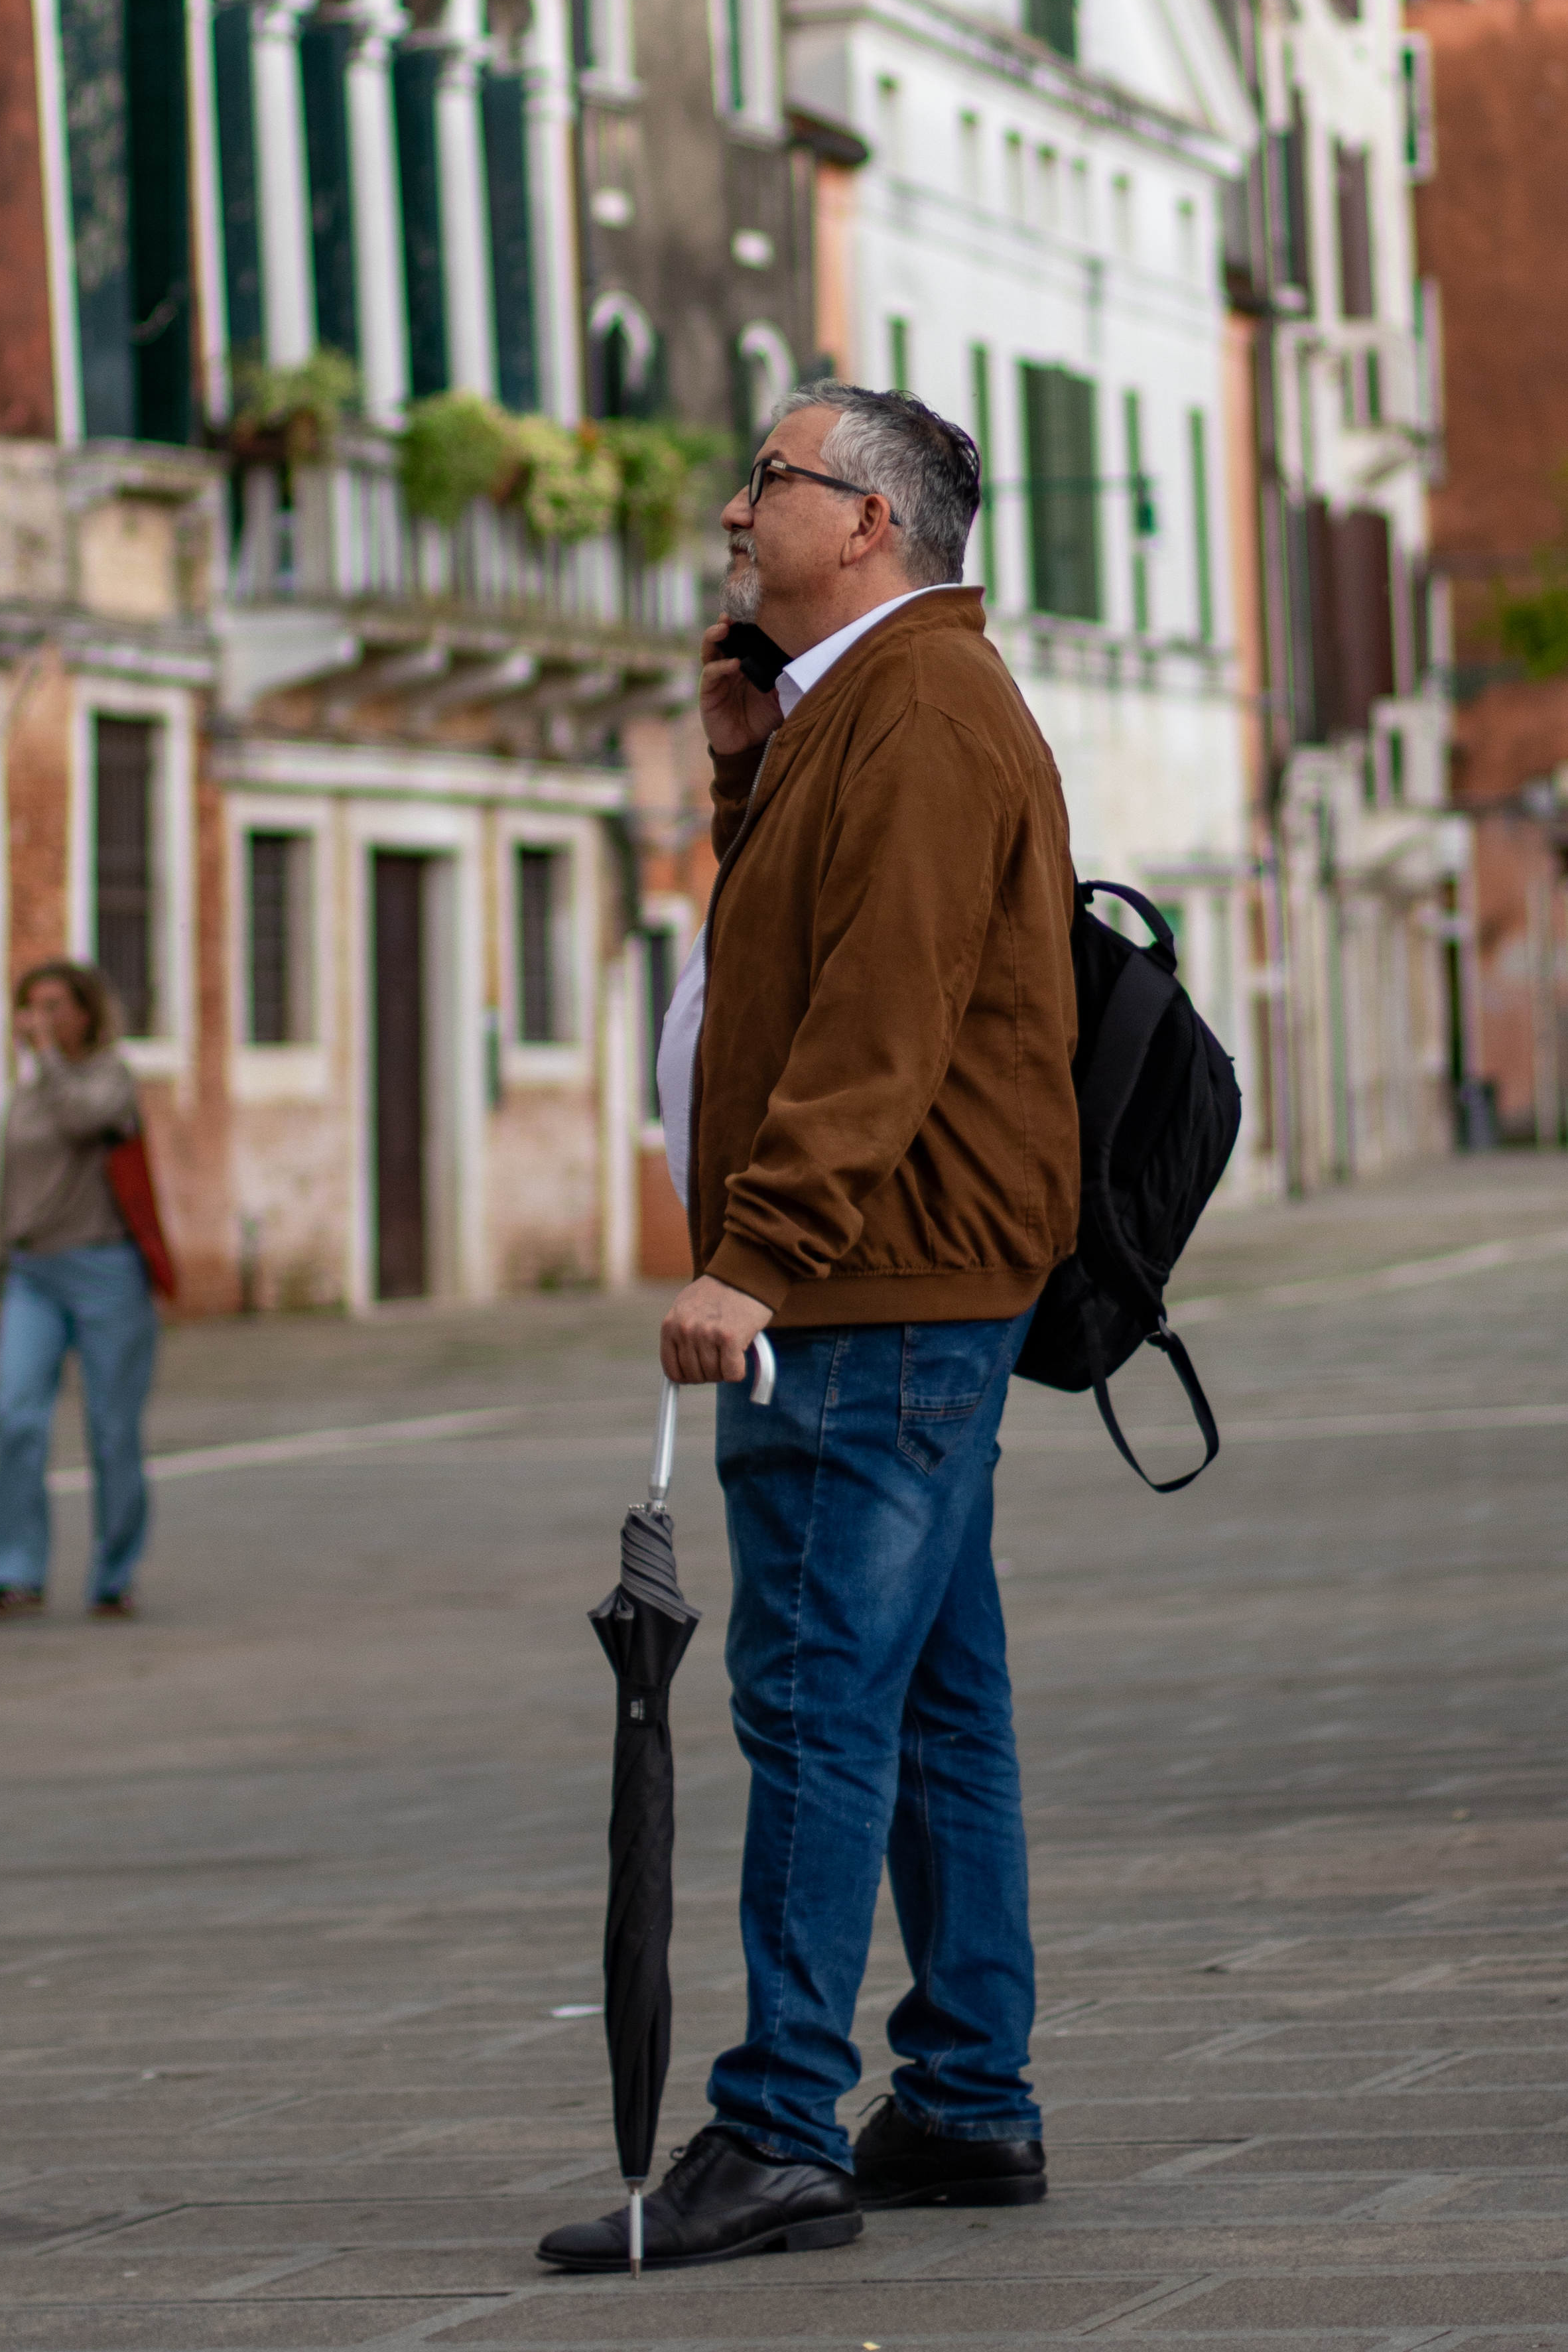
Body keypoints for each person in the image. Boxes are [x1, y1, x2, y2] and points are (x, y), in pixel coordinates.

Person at [541, 384, 1081, 2274]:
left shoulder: (922, 708)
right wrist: (743, 774)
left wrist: (756, 1256)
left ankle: (775, 2123)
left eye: (764, 478)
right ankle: (967, 2093)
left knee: (812, 1699)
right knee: (931, 1699)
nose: (729, 508)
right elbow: (798, 951)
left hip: (865, 1291)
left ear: (866, 519)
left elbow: (881, 1013)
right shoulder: (861, 705)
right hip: (899, 1281)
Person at [0, 959, 157, 1620]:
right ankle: (11, 1567)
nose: (38, 1020)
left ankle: (114, 1573)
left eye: (53, 1007)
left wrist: (47, 1059)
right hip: (33, 1274)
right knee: (14, 1413)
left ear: (85, 1013)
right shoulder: (23, 1097)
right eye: (30, 1007)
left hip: (105, 1270)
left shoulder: (110, 1078)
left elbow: (83, 1119)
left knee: (111, 1428)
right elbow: (9, 1193)